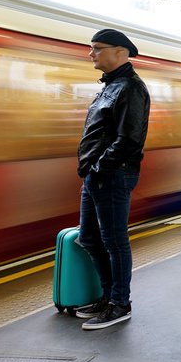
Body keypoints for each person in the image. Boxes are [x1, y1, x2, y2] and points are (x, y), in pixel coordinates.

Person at [74, 28, 150, 330]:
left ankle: (120, 303)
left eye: (96, 48)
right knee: (90, 238)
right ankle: (108, 297)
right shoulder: (111, 85)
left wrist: (99, 167)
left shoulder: (130, 88)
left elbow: (129, 139)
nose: (91, 54)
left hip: (111, 175)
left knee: (114, 241)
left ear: (120, 52)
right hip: (96, 176)